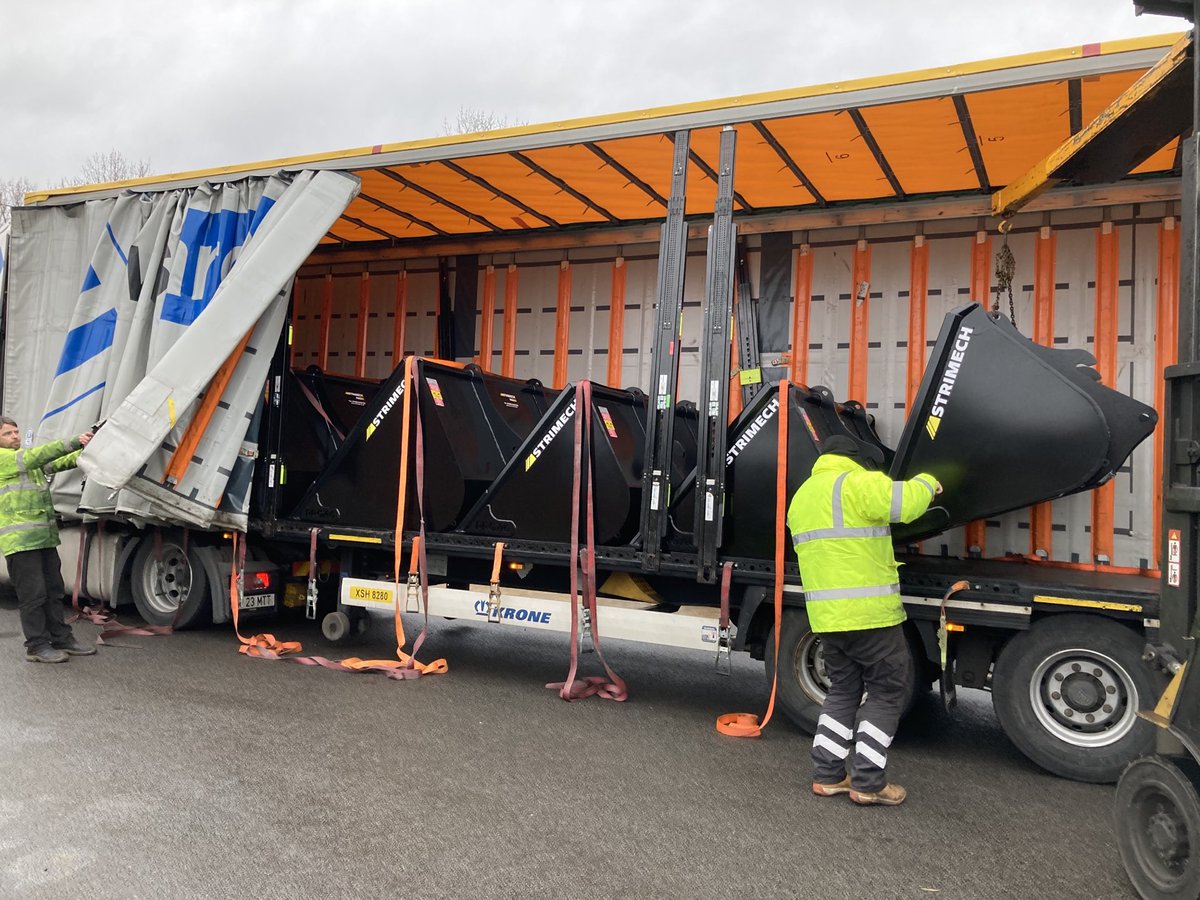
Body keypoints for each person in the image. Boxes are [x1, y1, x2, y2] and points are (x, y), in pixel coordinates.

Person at [787, 434, 940, 806]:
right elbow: (905, 504)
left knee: (842, 690)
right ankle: (869, 783)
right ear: (855, 459)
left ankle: (828, 776)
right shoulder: (858, 482)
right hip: (871, 617)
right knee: (887, 692)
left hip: (827, 619)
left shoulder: (802, 497)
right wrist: (928, 483)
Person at [0, 417, 96, 663]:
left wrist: (85, 452)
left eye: (16, 431)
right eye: (8, 433)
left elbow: (55, 462)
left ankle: (61, 638)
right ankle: (37, 645)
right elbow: (39, 456)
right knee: (34, 595)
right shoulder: (6, 460)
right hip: (20, 542)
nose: (15, 436)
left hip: (43, 538)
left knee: (54, 590)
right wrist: (75, 441)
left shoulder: (24, 461)